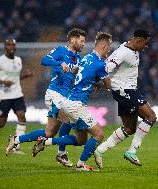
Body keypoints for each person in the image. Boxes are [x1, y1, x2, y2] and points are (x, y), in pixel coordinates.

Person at [32, 32, 112, 172]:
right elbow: (109, 86)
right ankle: (80, 165)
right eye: (109, 47)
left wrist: (93, 83)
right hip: (76, 105)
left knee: (81, 140)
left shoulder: (85, 58)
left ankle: (47, 141)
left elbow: (75, 72)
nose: (109, 50)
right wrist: (104, 84)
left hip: (69, 102)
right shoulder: (100, 64)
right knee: (99, 134)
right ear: (104, 46)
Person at [5, 28, 86, 167]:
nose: (84, 44)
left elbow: (74, 77)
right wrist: (59, 63)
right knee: (71, 118)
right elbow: (44, 60)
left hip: (65, 96)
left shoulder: (78, 58)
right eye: (82, 41)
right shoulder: (61, 50)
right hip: (55, 94)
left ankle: (16, 139)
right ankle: (61, 153)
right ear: (72, 39)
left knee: (49, 132)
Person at [94, 28, 157, 168]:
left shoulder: (130, 48)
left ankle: (100, 150)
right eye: (145, 44)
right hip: (125, 91)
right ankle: (132, 151)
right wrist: (97, 81)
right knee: (151, 117)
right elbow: (106, 67)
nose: (146, 47)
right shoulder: (123, 52)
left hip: (126, 90)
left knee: (129, 128)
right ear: (139, 40)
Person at [0, 39, 33, 153]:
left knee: (22, 116)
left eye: (13, 45)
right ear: (5, 47)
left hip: (17, 94)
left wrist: (25, 75)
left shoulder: (19, 60)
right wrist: (3, 82)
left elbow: (15, 78)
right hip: (4, 96)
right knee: (1, 123)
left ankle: (16, 145)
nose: (11, 47)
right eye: (9, 45)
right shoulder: (0, 61)